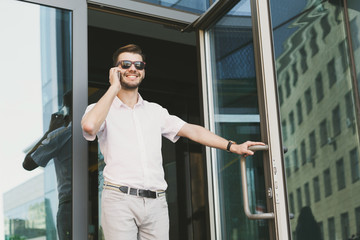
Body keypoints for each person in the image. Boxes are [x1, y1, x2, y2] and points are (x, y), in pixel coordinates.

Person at [81, 44, 264, 240]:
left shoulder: (155, 111)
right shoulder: (99, 108)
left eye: (138, 65)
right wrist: (113, 87)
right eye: (125, 64)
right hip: (119, 199)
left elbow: (192, 130)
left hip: (156, 202)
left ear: (144, 70)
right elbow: (90, 126)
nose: (132, 69)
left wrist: (232, 146)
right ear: (115, 71)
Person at [23, 91, 72, 240]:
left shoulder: (62, 134)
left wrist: (49, 132)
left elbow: (28, 162)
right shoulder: (99, 132)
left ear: (67, 110)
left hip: (69, 204)